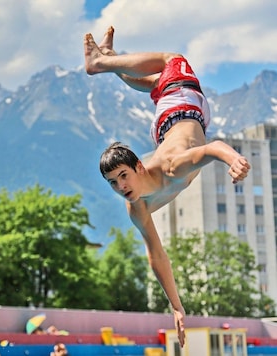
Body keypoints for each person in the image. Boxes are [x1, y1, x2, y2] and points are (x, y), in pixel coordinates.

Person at [87, 27, 251, 348]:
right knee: (153, 83)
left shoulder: (174, 166)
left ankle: (100, 63)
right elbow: (157, 255)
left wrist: (234, 160)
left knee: (173, 61)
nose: (121, 187)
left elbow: (212, 148)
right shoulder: (137, 208)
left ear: (137, 166)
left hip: (181, 105)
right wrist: (176, 305)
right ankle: (108, 58)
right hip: (168, 111)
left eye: (123, 176)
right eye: (112, 183)